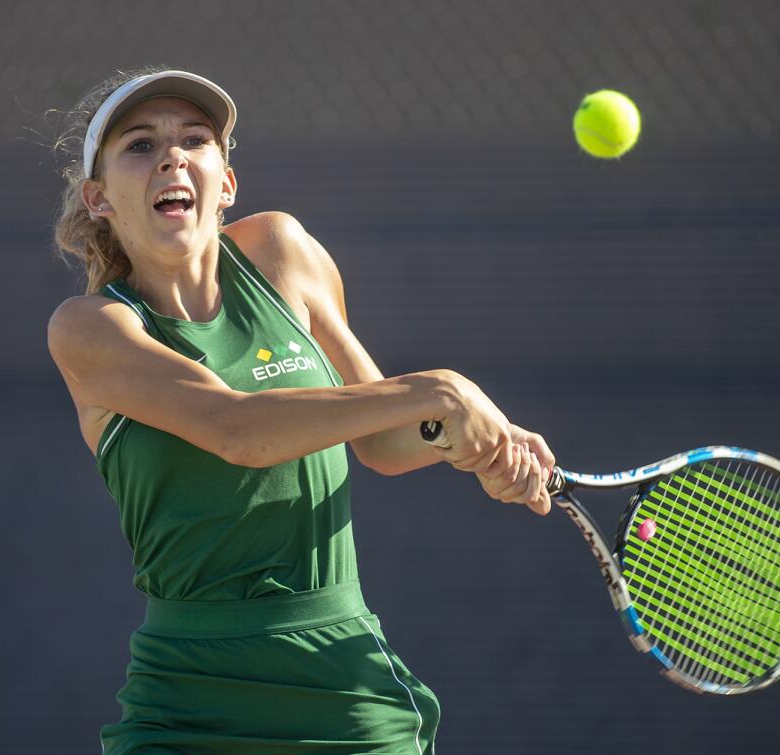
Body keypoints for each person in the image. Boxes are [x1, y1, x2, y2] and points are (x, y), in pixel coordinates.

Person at [46, 67, 555, 753]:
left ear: (225, 183)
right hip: (186, 702)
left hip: (345, 689)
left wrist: (464, 442)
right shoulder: (90, 329)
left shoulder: (283, 252)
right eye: (140, 145)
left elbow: (384, 440)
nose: (171, 156)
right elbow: (235, 430)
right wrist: (441, 391)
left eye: (195, 140)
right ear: (99, 198)